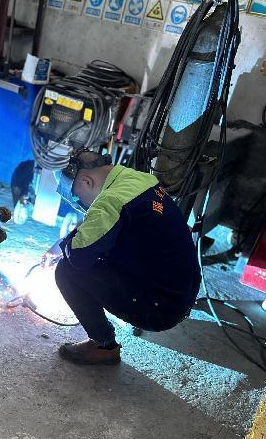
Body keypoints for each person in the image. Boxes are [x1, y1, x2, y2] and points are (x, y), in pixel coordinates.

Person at [43, 148, 201, 365]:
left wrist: (65, 247)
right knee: (99, 250)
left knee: (67, 271)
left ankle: (103, 346)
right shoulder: (136, 180)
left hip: (160, 310)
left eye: (77, 197)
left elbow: (78, 257)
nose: (82, 204)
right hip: (181, 295)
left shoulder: (112, 200)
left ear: (87, 182)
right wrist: (60, 245)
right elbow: (98, 226)